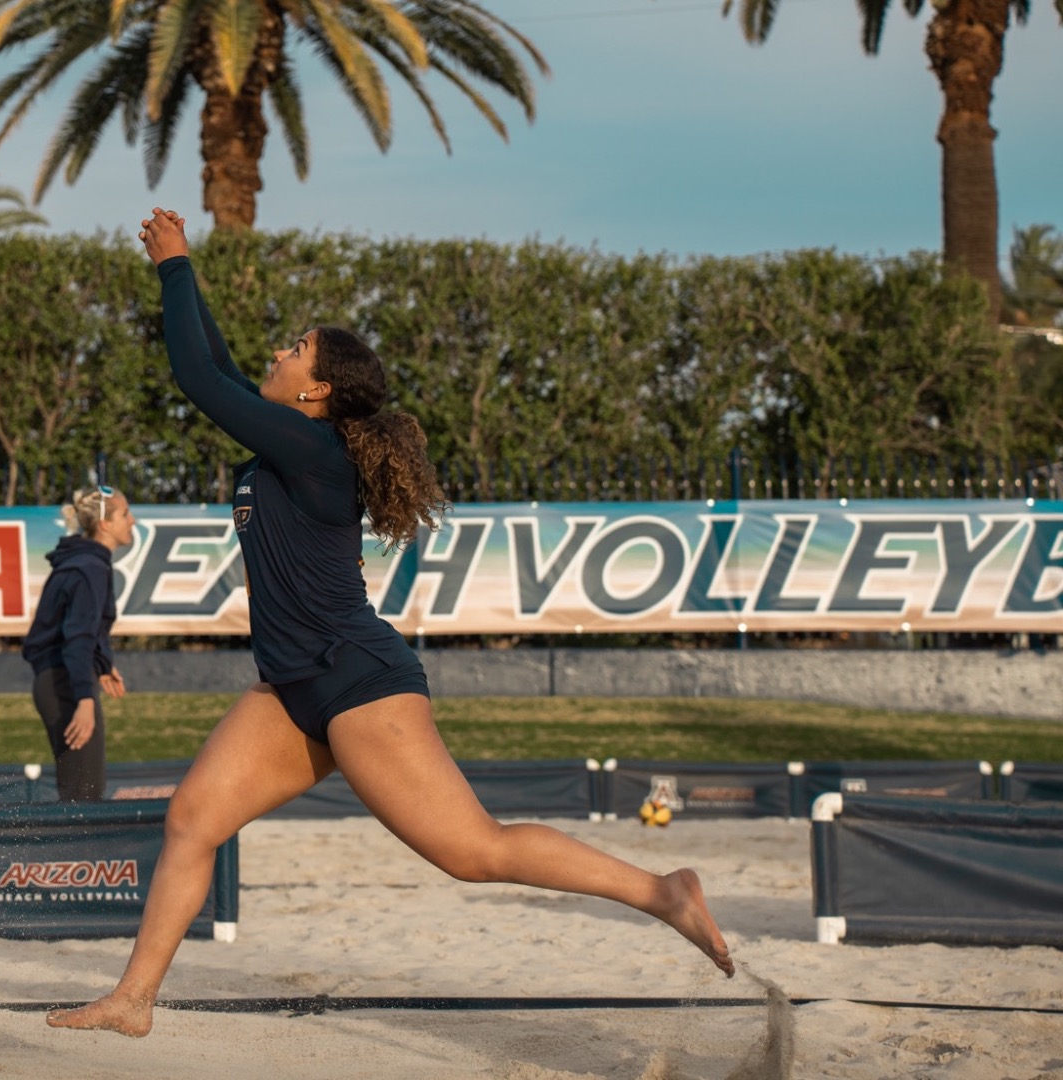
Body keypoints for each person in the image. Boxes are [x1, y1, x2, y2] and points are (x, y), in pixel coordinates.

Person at [47, 210, 733, 1037]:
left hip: (356, 678)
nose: (280, 351)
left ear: (318, 391)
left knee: (474, 851)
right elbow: (220, 369)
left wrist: (176, 266)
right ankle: (132, 1001)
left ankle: (665, 892)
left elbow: (200, 376)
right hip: (294, 685)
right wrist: (187, 279)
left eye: (295, 348)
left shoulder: (317, 453)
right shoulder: (283, 447)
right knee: (193, 819)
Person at [21, 485, 135, 801]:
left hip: (61, 680)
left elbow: (77, 629)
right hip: (66, 685)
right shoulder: (91, 568)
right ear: (105, 524)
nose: (133, 521)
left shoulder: (83, 561)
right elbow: (77, 638)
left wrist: (102, 664)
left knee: (79, 792)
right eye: (125, 514)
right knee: (83, 796)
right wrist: (84, 699)